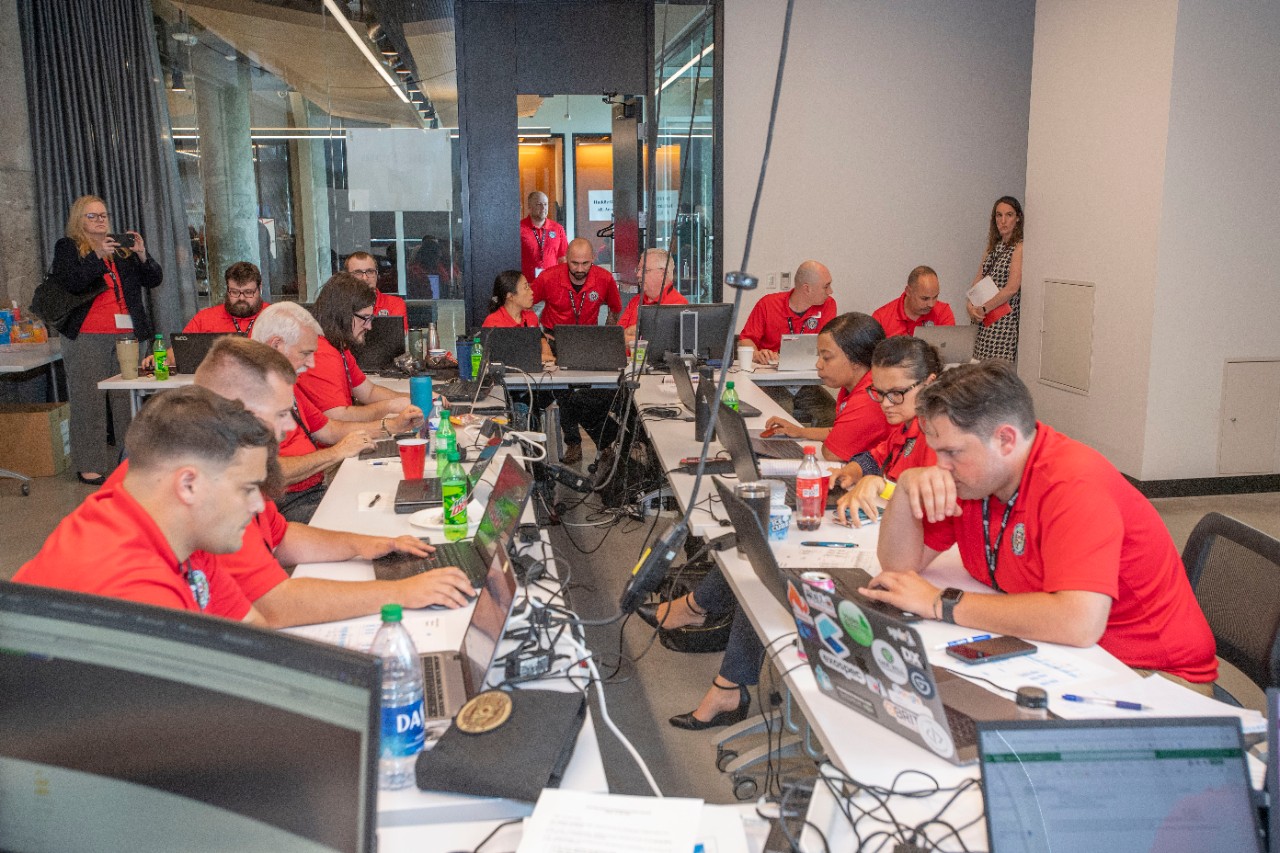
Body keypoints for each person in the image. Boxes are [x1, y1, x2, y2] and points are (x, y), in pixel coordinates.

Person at [861, 361, 1217, 688]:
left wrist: (942, 603)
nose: (940, 466)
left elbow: (1078, 623)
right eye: (936, 451)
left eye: (952, 452)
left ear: (1005, 440)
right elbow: (900, 569)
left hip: (1148, 674)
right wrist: (906, 488)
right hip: (1066, 653)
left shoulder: (1073, 484)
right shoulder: (977, 477)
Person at [188, 336, 474, 627]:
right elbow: (274, 604)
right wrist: (402, 591)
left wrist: (369, 544)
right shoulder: (214, 487)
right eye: (281, 414)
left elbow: (282, 537)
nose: (289, 427)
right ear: (240, 413)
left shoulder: (235, 468)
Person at [14, 385, 268, 623]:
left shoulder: (181, 535)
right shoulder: (136, 594)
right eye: (246, 489)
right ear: (188, 484)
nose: (258, 505)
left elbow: (250, 629)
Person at [251, 303, 423, 522]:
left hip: (313, 490)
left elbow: (328, 429)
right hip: (289, 506)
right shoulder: (249, 394)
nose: (311, 363)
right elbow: (270, 472)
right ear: (276, 346)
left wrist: (391, 426)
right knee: (386, 518)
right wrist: (336, 453)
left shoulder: (284, 382)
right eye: (305, 353)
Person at [49, 195, 163, 486]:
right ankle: (89, 465)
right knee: (89, 400)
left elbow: (154, 279)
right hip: (87, 335)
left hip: (127, 334)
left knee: (129, 399)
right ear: (79, 219)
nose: (100, 220)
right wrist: (97, 256)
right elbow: (72, 282)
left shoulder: (120, 250)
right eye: (92, 216)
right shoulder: (68, 248)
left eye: (103, 215)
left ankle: (131, 459)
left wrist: (141, 254)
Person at [831, 335, 943, 525]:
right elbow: (875, 458)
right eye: (880, 393)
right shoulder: (906, 426)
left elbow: (931, 498)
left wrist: (881, 486)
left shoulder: (939, 435)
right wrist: (853, 470)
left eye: (896, 393)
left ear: (928, 384)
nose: (885, 404)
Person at [531, 237, 622, 463]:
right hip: (554, 340)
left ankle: (605, 442)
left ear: (593, 260)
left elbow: (615, 309)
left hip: (587, 341)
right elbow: (525, 304)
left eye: (585, 264)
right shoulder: (548, 277)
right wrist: (539, 336)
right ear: (566, 260)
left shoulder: (604, 278)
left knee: (587, 396)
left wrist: (607, 339)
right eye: (574, 264)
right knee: (564, 392)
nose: (580, 269)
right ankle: (574, 443)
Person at [761, 312, 890, 461]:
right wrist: (800, 431)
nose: (818, 364)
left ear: (855, 359)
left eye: (826, 357)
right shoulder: (855, 385)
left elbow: (832, 453)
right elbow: (841, 432)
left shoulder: (868, 397)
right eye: (819, 356)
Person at [294, 272, 416, 422]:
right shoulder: (321, 354)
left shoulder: (339, 347)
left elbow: (369, 392)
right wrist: (390, 407)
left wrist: (417, 399)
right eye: (365, 318)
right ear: (343, 315)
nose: (369, 326)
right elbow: (340, 418)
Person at [738, 260, 835, 364]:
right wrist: (757, 355)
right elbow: (745, 340)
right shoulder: (767, 304)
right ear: (807, 289)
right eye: (826, 286)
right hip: (768, 371)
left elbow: (828, 346)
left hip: (811, 372)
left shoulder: (828, 304)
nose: (830, 291)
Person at [968, 196, 1024, 362]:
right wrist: (971, 306)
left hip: (1003, 323)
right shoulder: (993, 246)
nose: (1003, 221)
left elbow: (1012, 288)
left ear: (1018, 218)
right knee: (979, 370)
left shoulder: (1019, 247)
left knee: (997, 374)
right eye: (999, 215)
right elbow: (977, 281)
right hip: (984, 321)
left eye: (1009, 215)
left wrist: (984, 308)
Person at [618, 248, 688, 347]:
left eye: (645, 270)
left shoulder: (678, 305)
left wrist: (631, 337)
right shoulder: (635, 301)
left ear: (662, 274)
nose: (638, 275)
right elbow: (616, 338)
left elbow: (659, 344)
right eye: (638, 270)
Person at [482, 270, 554, 363]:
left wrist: (543, 342)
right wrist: (538, 358)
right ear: (510, 296)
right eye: (526, 287)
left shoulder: (531, 317)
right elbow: (501, 358)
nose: (531, 292)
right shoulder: (493, 322)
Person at [183, 261, 269, 334]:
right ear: (227, 289)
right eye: (235, 292)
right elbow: (174, 351)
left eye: (248, 292)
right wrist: (168, 354)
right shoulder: (204, 318)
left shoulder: (276, 316)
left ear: (260, 288)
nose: (241, 298)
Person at [872, 265, 955, 338]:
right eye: (924, 298)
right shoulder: (881, 318)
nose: (931, 304)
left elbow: (949, 350)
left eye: (935, 297)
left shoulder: (943, 312)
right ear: (908, 291)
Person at [345, 251, 408, 332]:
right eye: (358, 273)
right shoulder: (340, 305)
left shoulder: (394, 304)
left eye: (370, 272)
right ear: (346, 277)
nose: (365, 278)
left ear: (377, 274)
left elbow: (397, 341)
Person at [519, 191, 568, 285]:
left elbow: (563, 259)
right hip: (527, 285)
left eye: (545, 204)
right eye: (538, 204)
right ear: (529, 207)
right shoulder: (520, 228)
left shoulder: (558, 229)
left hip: (552, 283)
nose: (543, 208)